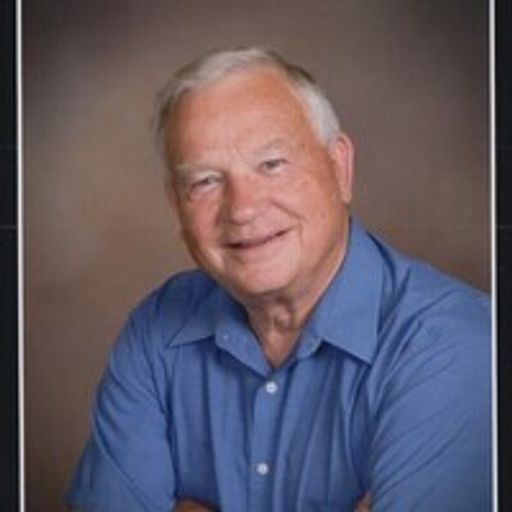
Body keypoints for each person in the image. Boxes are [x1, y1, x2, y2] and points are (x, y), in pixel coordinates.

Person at [66, 47, 492, 512]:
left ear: (340, 167)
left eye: (272, 164)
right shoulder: (156, 330)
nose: (243, 209)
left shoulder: (451, 345)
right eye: (205, 181)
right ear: (176, 204)